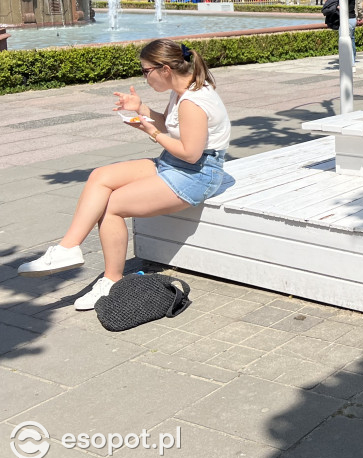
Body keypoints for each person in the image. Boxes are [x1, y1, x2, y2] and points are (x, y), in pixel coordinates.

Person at [17, 39, 231, 310]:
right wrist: (142, 110)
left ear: (164, 69)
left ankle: (111, 281)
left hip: (195, 174)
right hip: (174, 163)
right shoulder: (182, 90)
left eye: (145, 71)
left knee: (112, 206)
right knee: (101, 176)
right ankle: (67, 249)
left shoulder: (193, 101)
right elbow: (174, 126)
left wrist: (152, 133)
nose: (144, 77)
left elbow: (190, 152)